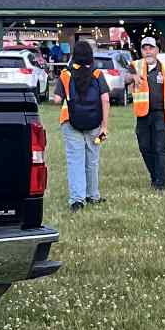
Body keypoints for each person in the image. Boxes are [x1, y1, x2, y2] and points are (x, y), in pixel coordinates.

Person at [56, 39, 110, 208]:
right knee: (92, 160)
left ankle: (77, 200)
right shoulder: (98, 74)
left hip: (70, 122)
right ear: (91, 57)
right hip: (95, 124)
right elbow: (105, 99)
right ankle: (93, 195)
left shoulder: (66, 74)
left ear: (74, 56)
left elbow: (57, 99)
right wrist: (104, 126)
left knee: (75, 161)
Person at [133, 36, 165, 191]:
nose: (148, 52)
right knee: (144, 147)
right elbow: (125, 77)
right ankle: (155, 176)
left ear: (157, 50)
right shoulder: (135, 66)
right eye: (144, 49)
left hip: (162, 114)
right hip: (143, 115)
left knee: (159, 148)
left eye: (151, 48)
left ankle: (160, 184)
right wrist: (132, 76)